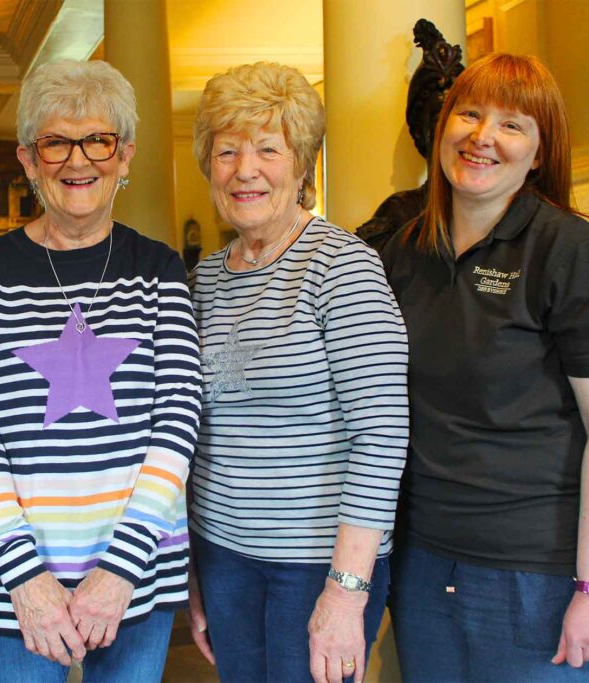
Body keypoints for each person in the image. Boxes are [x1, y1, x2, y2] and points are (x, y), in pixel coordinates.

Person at [0, 60, 202, 683]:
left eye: (98, 140)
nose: (77, 160)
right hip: (18, 576)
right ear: (28, 159)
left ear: (125, 154)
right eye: (56, 141)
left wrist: (121, 568)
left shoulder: (159, 270)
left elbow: (178, 420)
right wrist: (25, 575)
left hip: (139, 568)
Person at [382, 53, 589, 682]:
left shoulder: (570, 252)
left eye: (512, 124)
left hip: (545, 573)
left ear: (540, 152)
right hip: (425, 563)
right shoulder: (403, 251)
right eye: (469, 114)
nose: (482, 137)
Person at [187, 62, 410, 683]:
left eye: (267, 149)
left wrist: (345, 592)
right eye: (226, 151)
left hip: (315, 565)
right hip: (224, 555)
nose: (245, 169)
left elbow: (382, 434)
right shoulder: (205, 277)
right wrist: (195, 571)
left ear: (303, 165)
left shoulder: (342, 267)